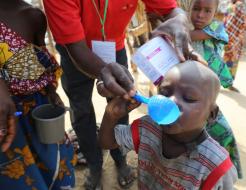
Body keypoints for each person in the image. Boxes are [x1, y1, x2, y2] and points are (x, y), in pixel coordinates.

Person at [42, 0, 204, 189]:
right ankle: (95, 166)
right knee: (81, 111)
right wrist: (102, 70)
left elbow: (171, 9)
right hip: (75, 52)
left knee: (121, 107)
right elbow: (76, 47)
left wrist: (180, 18)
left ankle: (120, 160)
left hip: (114, 48)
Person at [99, 60, 238, 189]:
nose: (171, 101)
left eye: (188, 98)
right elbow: (107, 143)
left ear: (212, 114)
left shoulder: (216, 168)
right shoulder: (147, 128)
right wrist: (111, 115)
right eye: (164, 93)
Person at [0, 0, 76, 189]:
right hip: (4, 119)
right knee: (19, 176)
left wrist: (51, 91)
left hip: (37, 109)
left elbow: (42, 60)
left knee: (55, 164)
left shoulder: (32, 16)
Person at [189, 0, 243, 179]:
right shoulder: (184, 28)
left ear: (215, 12)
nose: (200, 15)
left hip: (207, 95)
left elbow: (192, 36)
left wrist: (173, 30)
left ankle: (228, 171)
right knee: (191, 134)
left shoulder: (216, 28)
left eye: (207, 11)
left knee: (223, 133)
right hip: (188, 95)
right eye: (195, 9)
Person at [223, 0, 246, 92]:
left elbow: (225, 23)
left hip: (227, 37)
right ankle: (228, 83)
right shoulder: (239, 5)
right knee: (232, 62)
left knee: (226, 60)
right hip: (235, 39)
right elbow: (242, 23)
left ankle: (224, 82)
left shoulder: (228, 6)